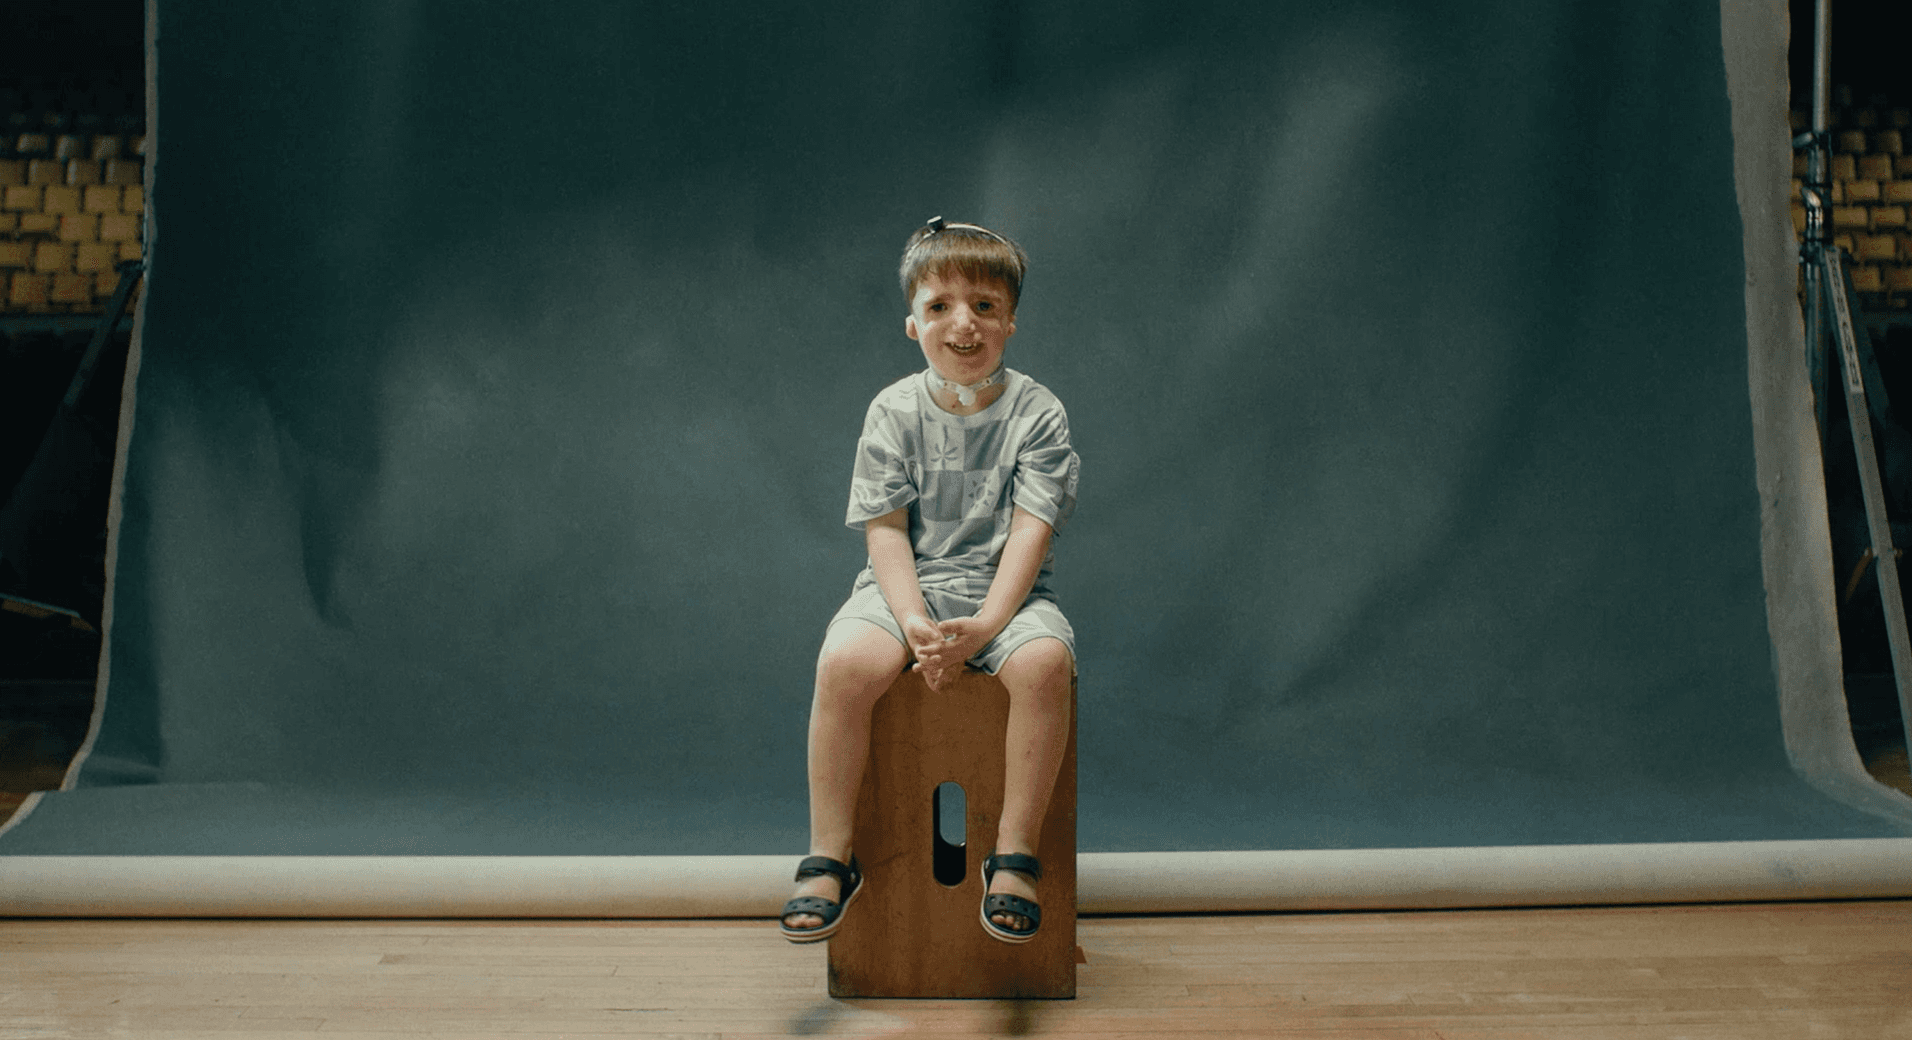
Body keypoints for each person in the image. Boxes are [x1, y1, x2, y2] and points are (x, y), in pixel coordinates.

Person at [779, 217, 1079, 946]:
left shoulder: (1038, 414)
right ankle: (830, 854)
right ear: (913, 324)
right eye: (940, 306)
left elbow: (1031, 535)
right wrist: (912, 619)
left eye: (983, 305)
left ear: (1010, 319)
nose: (963, 324)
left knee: (1046, 665)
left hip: (1006, 593)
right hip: (904, 589)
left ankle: (1013, 854)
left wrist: (988, 624)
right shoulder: (892, 410)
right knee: (845, 662)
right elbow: (885, 529)